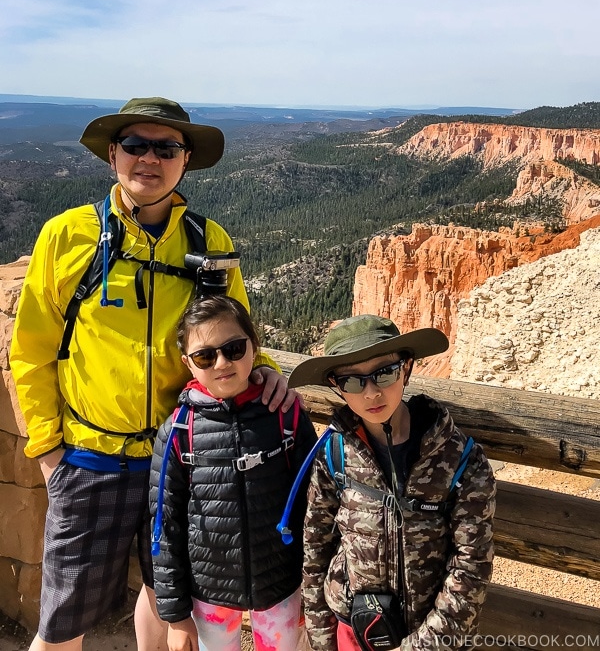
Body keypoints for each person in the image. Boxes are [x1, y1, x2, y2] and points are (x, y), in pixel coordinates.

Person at [9, 97, 295, 651]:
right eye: (136, 145)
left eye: (166, 148)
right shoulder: (70, 236)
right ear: (113, 153)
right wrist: (48, 452)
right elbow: (32, 351)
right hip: (92, 458)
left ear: (185, 160)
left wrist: (266, 371)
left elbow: (236, 332)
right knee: (63, 621)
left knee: (171, 605)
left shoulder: (209, 243)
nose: (150, 158)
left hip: (182, 457)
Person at [288, 314, 496, 651]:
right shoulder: (335, 454)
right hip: (352, 630)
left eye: (384, 373)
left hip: (434, 639)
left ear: (407, 368)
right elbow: (316, 550)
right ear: (336, 387)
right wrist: (322, 639)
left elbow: (471, 565)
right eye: (353, 381)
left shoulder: (460, 460)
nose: (371, 393)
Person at [149, 294, 317, 651]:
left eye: (234, 348)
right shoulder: (179, 431)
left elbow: (314, 506)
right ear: (188, 364)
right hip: (208, 593)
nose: (222, 363)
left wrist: (313, 584)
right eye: (205, 356)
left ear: (254, 348)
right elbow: (165, 527)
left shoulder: (286, 416)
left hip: (280, 584)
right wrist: (176, 616)